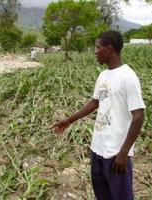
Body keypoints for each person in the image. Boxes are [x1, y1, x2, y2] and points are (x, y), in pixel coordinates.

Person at [52, 31, 145, 200]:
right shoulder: (103, 75)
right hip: (98, 148)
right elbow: (95, 102)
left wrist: (124, 152)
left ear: (109, 49)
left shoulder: (128, 77)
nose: (95, 51)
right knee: (103, 195)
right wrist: (69, 120)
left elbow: (139, 115)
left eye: (97, 47)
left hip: (116, 153)